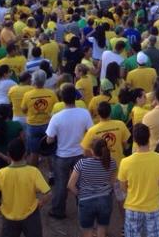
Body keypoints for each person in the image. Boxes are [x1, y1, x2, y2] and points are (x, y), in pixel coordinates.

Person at [0, 138, 51, 237]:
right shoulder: (33, 171)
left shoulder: (2, 173)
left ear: (8, 154)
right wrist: (39, 204)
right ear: (25, 154)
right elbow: (48, 193)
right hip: (31, 216)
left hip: (9, 218)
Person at [45, 84, 93, 219]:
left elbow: (49, 139)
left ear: (62, 98)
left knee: (61, 184)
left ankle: (58, 211)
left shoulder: (56, 117)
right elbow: (91, 132)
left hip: (62, 155)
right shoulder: (84, 113)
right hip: (80, 154)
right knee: (81, 183)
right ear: (75, 97)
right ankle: (83, 208)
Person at [118, 123, 159, 237]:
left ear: (135, 140)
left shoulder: (125, 162)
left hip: (132, 207)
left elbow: (122, 187)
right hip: (153, 207)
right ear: (149, 137)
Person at [67, 138, 117, 237]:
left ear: (92, 150)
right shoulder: (112, 162)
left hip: (86, 201)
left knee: (87, 232)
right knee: (102, 231)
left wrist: (79, 194)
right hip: (105, 200)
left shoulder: (82, 163)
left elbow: (70, 185)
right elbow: (112, 183)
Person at [21, 70, 57, 166]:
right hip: (47, 124)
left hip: (33, 125)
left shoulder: (27, 95)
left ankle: (34, 172)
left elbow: (23, 110)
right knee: (49, 150)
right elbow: (56, 108)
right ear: (44, 80)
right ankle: (51, 173)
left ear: (33, 80)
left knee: (34, 152)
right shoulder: (51, 93)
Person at [0, 104, 24, 173]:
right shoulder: (17, 125)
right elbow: (23, 141)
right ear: (10, 114)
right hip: (15, 157)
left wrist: (3, 156)